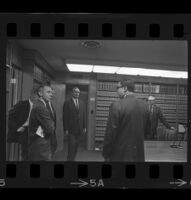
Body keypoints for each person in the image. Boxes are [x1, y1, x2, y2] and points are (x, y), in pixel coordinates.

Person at [102, 80, 150, 162]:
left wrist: (106, 154)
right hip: (139, 155)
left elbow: (110, 133)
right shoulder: (145, 106)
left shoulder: (116, 105)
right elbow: (147, 131)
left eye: (117, 88)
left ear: (125, 88)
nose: (116, 90)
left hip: (119, 155)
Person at [7, 89, 39, 161]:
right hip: (24, 130)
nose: (39, 98)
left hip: (34, 131)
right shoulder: (22, 104)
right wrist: (18, 127)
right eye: (38, 95)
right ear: (32, 95)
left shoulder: (38, 107)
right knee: (26, 153)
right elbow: (10, 116)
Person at [28, 85, 57, 161]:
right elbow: (50, 129)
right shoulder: (41, 107)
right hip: (41, 145)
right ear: (40, 93)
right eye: (48, 92)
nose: (51, 94)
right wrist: (51, 124)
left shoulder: (41, 104)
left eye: (51, 92)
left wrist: (50, 123)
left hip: (39, 142)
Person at [63, 87, 86, 161]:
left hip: (79, 129)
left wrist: (84, 126)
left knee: (76, 146)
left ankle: (73, 159)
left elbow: (84, 115)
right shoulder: (67, 103)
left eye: (78, 92)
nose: (77, 93)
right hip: (71, 129)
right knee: (71, 147)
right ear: (72, 93)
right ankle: (69, 160)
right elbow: (65, 116)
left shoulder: (82, 103)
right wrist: (65, 128)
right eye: (75, 92)